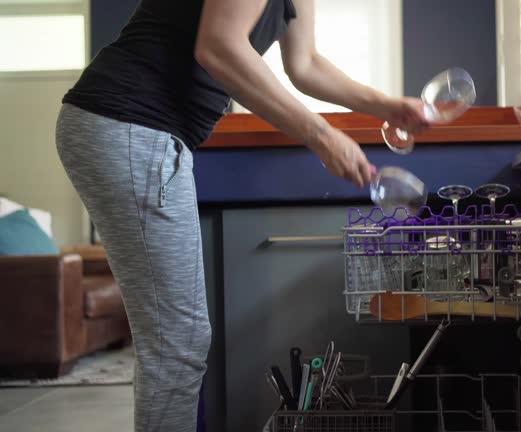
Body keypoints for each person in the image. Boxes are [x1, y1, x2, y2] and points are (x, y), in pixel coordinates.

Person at [55, 0, 426, 430]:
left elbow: (304, 63)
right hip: (131, 125)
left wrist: (385, 106)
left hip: (137, 130)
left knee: (175, 341)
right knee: (176, 343)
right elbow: (219, 46)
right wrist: (322, 135)